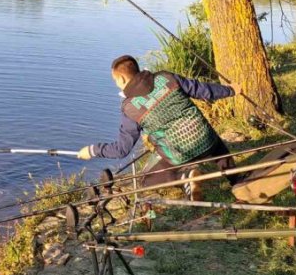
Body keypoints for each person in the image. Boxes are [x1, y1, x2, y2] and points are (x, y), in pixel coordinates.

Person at [77, 55, 241, 201]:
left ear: (121, 79)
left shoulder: (129, 108)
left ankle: (183, 176)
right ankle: (236, 180)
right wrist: (231, 90)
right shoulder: (166, 77)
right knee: (210, 137)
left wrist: (93, 150)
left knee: (146, 180)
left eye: (115, 81)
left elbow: (122, 149)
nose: (117, 85)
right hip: (208, 142)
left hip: (179, 154)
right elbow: (203, 90)